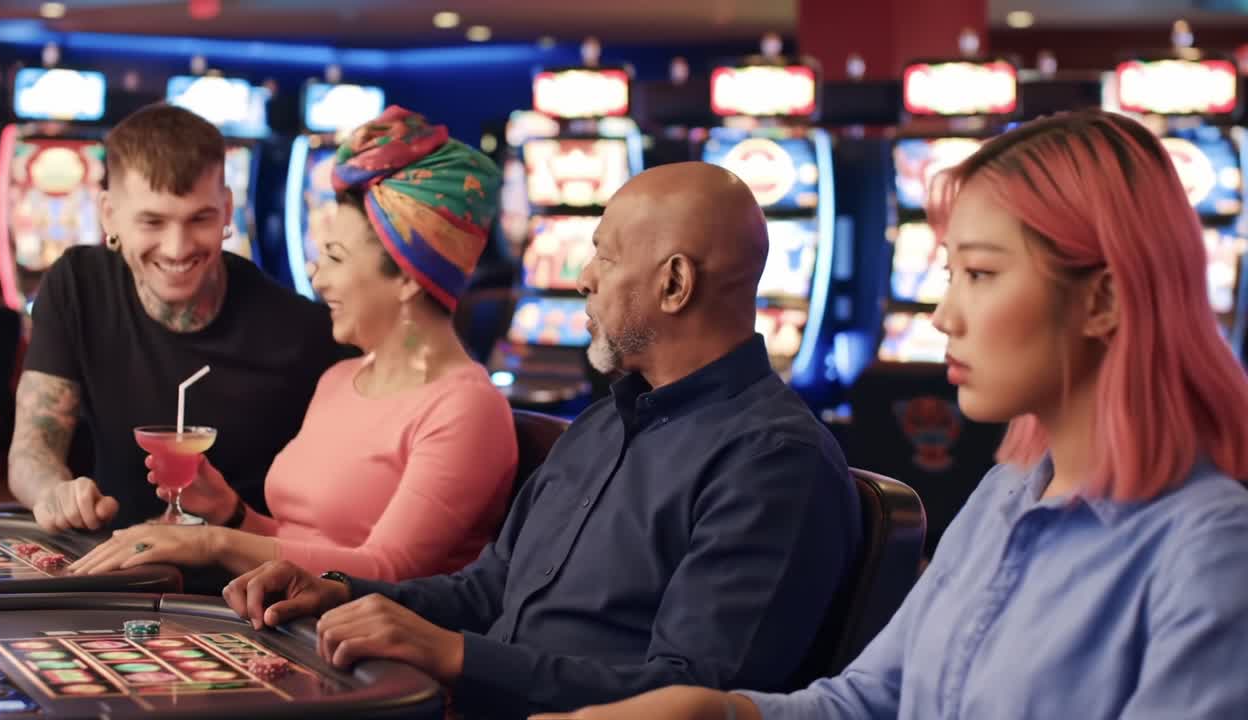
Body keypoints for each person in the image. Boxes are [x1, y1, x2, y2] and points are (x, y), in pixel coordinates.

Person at [534, 110, 1248, 720]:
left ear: (1104, 300)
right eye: (946, 276)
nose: (942, 316)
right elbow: (869, 701)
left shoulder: (1208, 549)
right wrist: (724, 711)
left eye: (980, 274)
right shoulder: (1007, 494)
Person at [222, 162, 861, 719]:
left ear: (674, 284)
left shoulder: (771, 461)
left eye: (604, 256)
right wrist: (339, 588)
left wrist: (455, 656)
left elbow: (693, 693)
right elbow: (485, 592)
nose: (581, 277)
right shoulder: (603, 423)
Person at [67, 106, 518, 582]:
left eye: (336, 258)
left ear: (408, 277)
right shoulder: (339, 379)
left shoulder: (465, 408)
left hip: (367, 650)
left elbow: (388, 570)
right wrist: (232, 514)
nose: (318, 278)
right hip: (279, 623)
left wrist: (212, 541)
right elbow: (298, 541)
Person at [9, 104, 349, 533]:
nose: (177, 247)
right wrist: (53, 493)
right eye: (152, 221)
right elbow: (31, 451)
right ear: (109, 215)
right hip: (113, 572)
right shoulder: (79, 285)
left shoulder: (302, 332)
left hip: (241, 586)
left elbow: (334, 526)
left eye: (199, 219)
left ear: (227, 211)